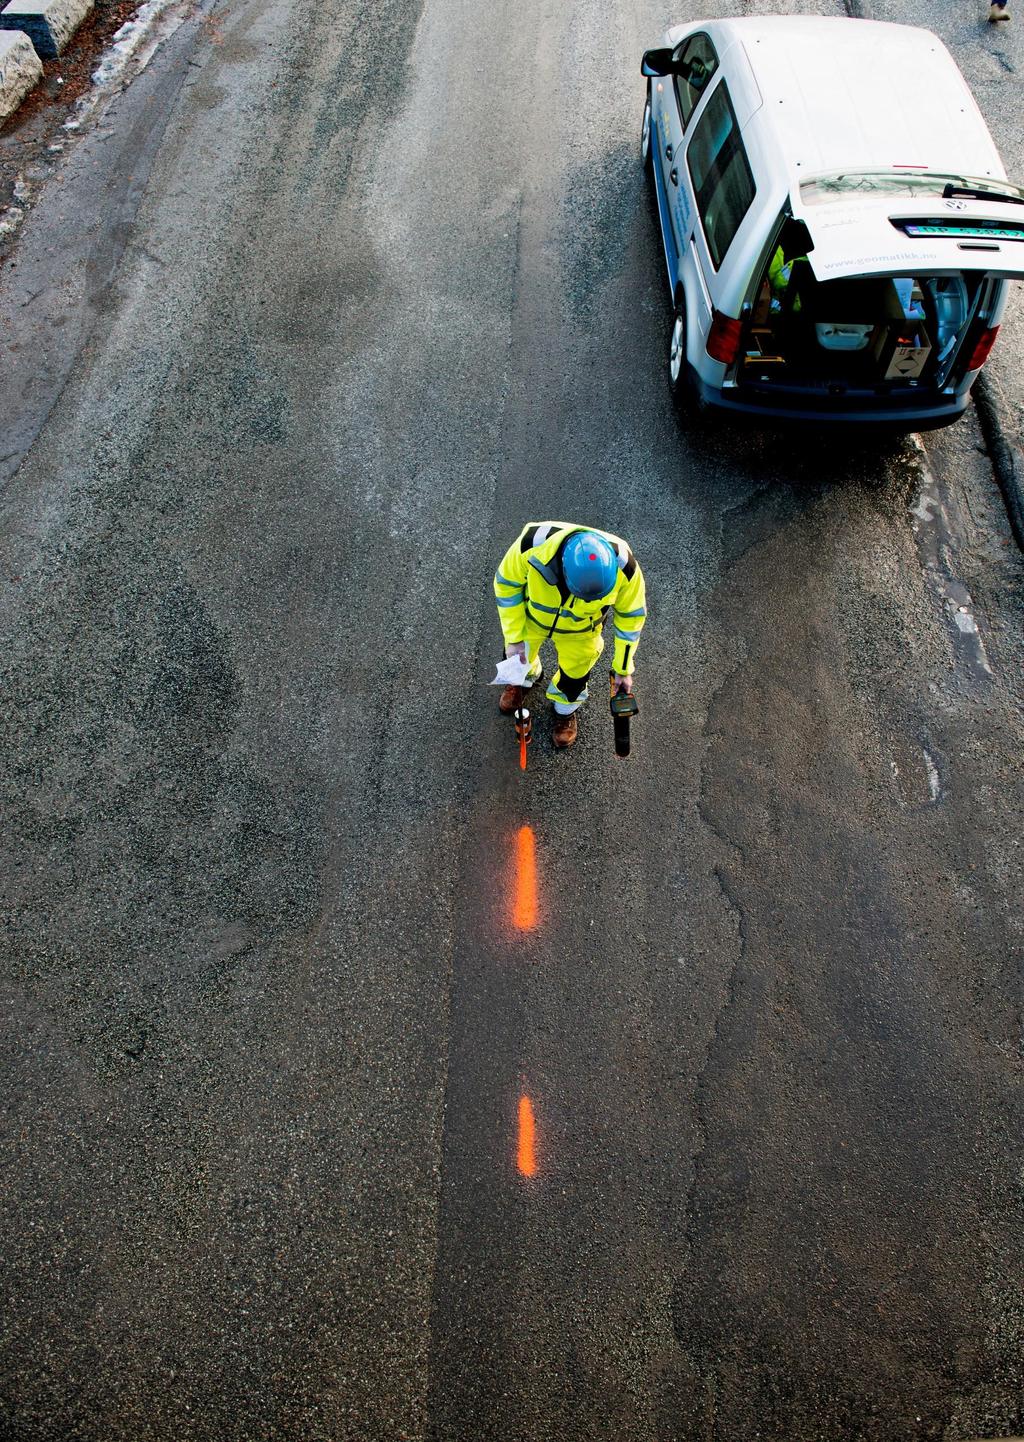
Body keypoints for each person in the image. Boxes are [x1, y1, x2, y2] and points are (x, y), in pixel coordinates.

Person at [493, 521, 647, 750]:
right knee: (515, 656)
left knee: (574, 676)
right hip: (532, 618)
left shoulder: (626, 568)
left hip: (582, 631)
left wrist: (623, 669)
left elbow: (631, 618)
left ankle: (564, 711)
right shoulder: (530, 546)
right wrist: (514, 638)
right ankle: (526, 680)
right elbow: (506, 585)